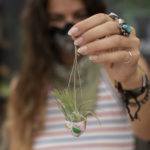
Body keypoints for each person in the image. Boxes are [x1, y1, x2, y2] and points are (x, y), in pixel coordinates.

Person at [2, 0, 150, 150]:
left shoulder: (120, 66)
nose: (69, 25)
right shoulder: (24, 87)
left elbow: (146, 131)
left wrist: (131, 80)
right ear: (43, 24)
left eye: (79, 15)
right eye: (57, 18)